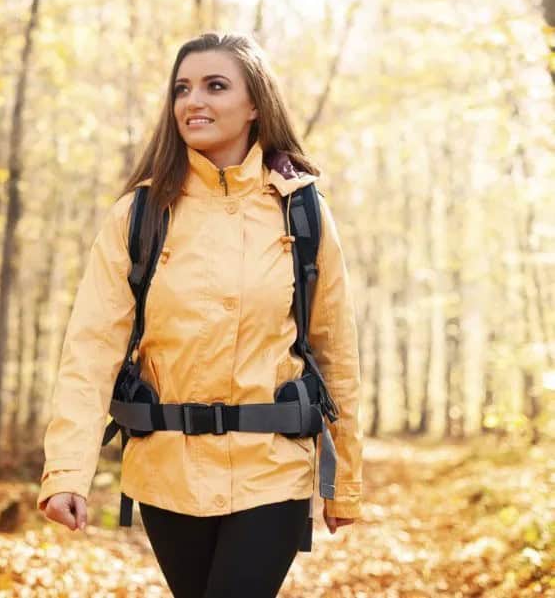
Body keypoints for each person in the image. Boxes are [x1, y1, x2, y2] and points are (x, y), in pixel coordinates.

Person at [37, 32, 362, 598]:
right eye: (182, 89)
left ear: (255, 104)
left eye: (215, 86)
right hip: (167, 473)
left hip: (272, 470)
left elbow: (335, 353)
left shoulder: (302, 210)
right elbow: (90, 351)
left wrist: (346, 479)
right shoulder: (138, 215)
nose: (194, 102)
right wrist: (67, 470)